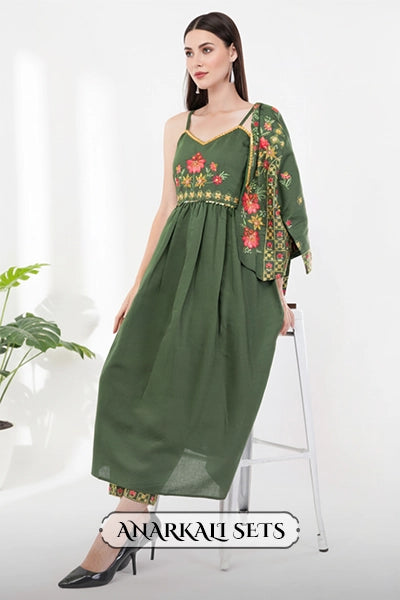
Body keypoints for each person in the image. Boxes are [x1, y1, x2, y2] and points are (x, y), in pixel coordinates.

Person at [58, 10, 311, 589]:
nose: (197, 62)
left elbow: (276, 211)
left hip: (235, 274)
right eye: (189, 52)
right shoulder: (178, 124)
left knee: (180, 379)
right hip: (174, 267)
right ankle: (133, 516)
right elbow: (167, 207)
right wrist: (135, 285)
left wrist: (279, 294)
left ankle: (122, 526)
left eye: (206, 49)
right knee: (125, 374)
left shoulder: (263, 122)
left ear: (232, 52)